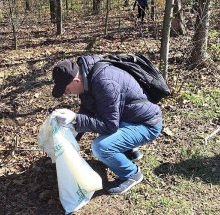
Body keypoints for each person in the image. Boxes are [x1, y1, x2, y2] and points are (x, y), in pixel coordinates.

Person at [51, 56, 162, 195]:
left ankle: (131, 174)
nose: (68, 94)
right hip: (129, 117)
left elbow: (109, 125)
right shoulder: (88, 77)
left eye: (67, 90)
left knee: (100, 147)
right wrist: (72, 136)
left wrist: (75, 118)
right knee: (99, 122)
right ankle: (128, 149)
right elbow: (88, 109)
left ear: (76, 80)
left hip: (147, 124)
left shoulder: (104, 82)